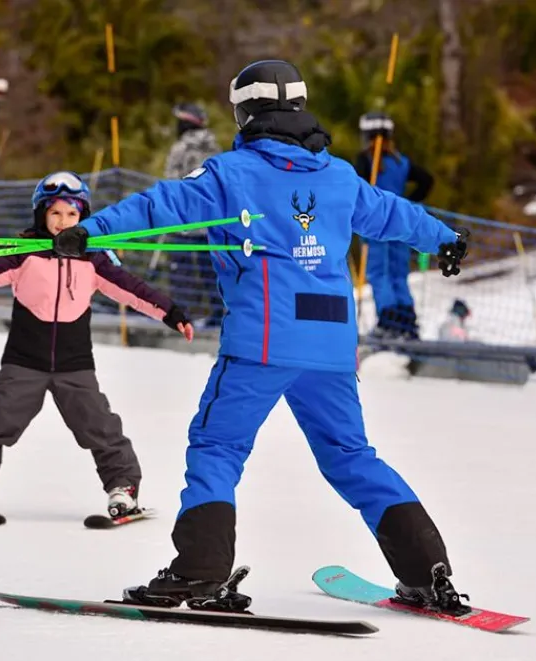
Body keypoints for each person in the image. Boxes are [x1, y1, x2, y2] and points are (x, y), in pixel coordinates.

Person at [52, 60, 471, 613]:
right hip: (331, 344)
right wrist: (445, 239)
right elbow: (393, 214)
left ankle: (199, 570)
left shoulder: (232, 173)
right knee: (350, 453)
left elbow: (161, 207)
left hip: (265, 340)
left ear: (244, 111)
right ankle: (427, 571)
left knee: (218, 444)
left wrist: (89, 230)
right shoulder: (339, 176)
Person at [0, 171, 195, 517]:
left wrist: (172, 313)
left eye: (72, 214)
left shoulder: (93, 261)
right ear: (41, 215)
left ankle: (122, 488)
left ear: (82, 218)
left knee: (100, 425)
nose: (63, 221)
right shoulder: (25, 255)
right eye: (55, 213)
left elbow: (134, 290)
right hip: (24, 360)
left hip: (75, 363)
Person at [354, 111, 435, 340]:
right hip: (401, 226)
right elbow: (427, 180)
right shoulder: (401, 162)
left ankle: (389, 323)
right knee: (399, 274)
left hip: (375, 227)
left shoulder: (366, 161)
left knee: (380, 274)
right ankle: (407, 321)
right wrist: (410, 203)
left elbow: (356, 189)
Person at [161, 102, 225, 327]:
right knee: (212, 272)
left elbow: (171, 183)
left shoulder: (181, 149)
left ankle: (181, 319)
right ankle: (218, 315)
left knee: (181, 274)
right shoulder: (214, 147)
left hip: (184, 223)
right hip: (211, 223)